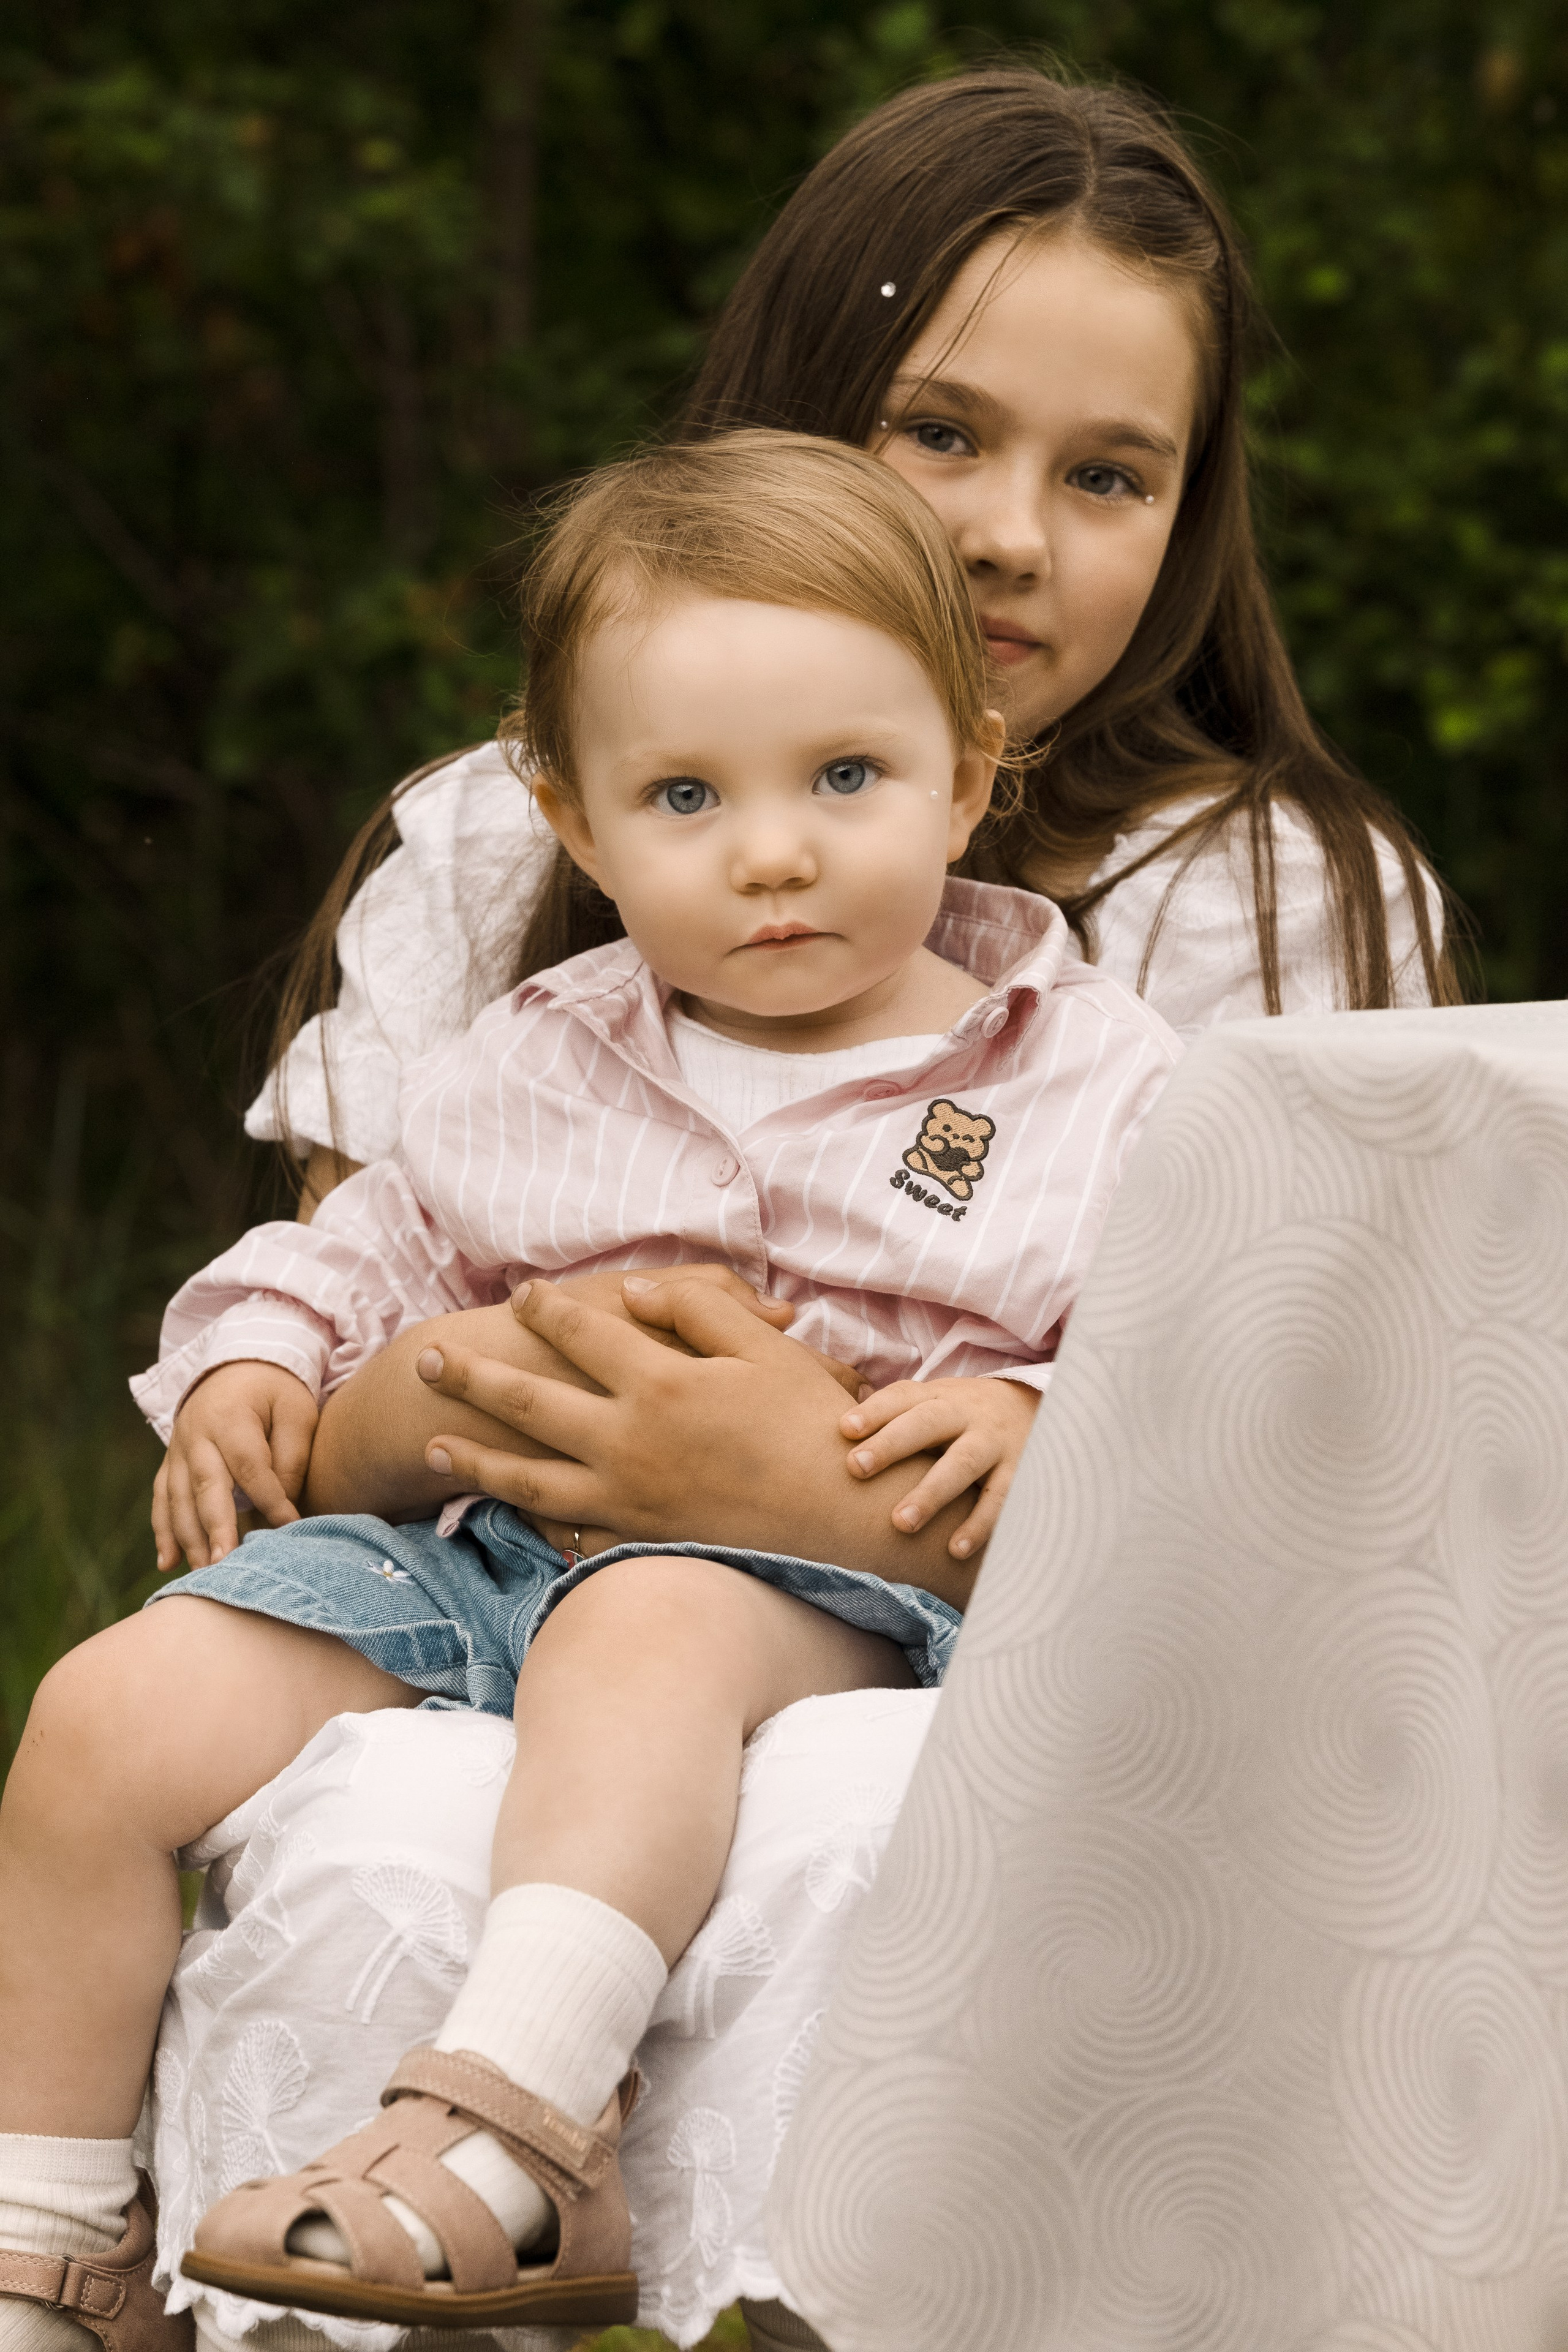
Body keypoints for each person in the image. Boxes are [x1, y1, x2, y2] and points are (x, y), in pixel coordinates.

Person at [0, 434, 1180, 2345]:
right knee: (100, 1717)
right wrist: (254, 1356)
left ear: (972, 772)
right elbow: (371, 1246)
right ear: (578, 821)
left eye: (848, 778)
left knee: (644, 1623)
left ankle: (514, 2129)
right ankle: (50, 2248)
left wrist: (1049, 1406)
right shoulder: (544, 1057)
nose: (775, 849)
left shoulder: (1079, 1078)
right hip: (486, 1560)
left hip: (835, 1589)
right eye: (689, 796)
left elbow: (1199, 1349)